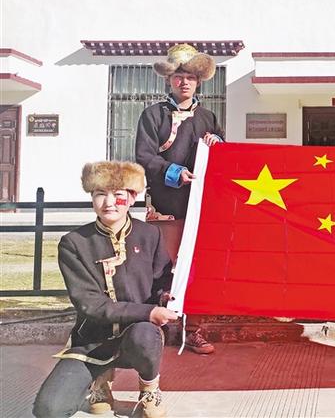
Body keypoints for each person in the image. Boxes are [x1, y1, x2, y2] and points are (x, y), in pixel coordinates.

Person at [33, 161, 176, 418]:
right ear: (92, 198)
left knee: (145, 335)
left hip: (138, 335)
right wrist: (148, 311)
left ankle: (149, 388)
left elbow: (162, 280)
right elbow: (90, 304)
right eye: (100, 194)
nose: (109, 203)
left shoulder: (150, 235)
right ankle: (100, 382)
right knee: (49, 410)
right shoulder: (74, 243)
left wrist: (166, 296)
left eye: (118, 195)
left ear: (131, 198)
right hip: (92, 342)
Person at [136, 43, 223, 354]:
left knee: (197, 268)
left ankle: (194, 330)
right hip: (165, 206)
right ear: (169, 80)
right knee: (163, 268)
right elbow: (144, 157)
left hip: (200, 208)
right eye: (178, 76)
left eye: (190, 77)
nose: (184, 82)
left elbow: (220, 161)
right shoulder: (152, 115)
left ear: (198, 81)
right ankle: (156, 330)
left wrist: (217, 143)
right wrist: (173, 171)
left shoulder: (208, 117)